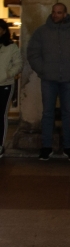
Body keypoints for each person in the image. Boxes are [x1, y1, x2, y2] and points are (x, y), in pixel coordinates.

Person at [27, 3, 70, 161]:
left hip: (67, 79)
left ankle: (68, 146)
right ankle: (46, 146)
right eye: (54, 12)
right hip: (48, 79)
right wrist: (43, 70)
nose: (55, 15)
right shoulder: (42, 32)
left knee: (67, 113)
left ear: (65, 14)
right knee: (48, 113)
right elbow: (33, 53)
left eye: (59, 13)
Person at [0, 19, 21, 158]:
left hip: (5, 85)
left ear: (3, 30)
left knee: (1, 115)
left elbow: (18, 64)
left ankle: (0, 145)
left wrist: (8, 75)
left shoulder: (11, 47)